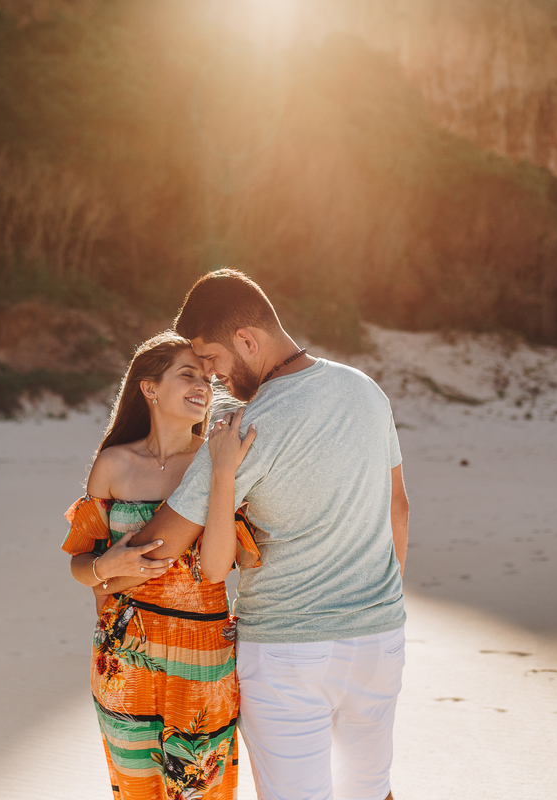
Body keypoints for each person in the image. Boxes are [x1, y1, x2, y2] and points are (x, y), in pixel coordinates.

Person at [123, 269, 410, 800]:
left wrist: (97, 561)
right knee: (370, 792)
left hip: (288, 653)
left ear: (247, 341)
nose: (212, 380)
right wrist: (373, 604)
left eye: (210, 361)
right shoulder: (365, 389)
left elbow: (160, 544)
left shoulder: (254, 422)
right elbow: (398, 509)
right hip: (380, 639)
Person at [62, 331, 260, 800]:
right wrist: (104, 565)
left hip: (204, 652)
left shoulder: (214, 459)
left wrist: (222, 474)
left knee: (202, 792)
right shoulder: (113, 464)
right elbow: (80, 564)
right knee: (136, 792)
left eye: (207, 378)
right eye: (187, 374)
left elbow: (215, 570)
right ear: (149, 388)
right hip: (125, 654)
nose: (203, 386)